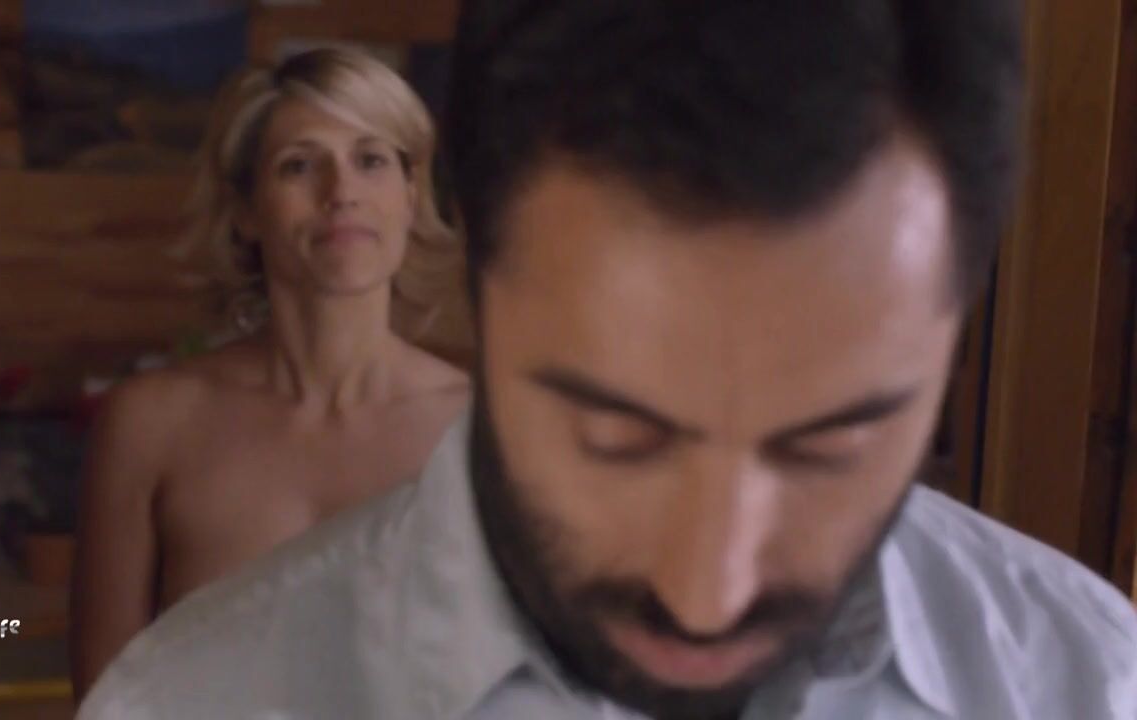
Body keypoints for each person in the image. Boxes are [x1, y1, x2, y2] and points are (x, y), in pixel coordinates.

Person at [77, 2, 1137, 718]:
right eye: (615, 433)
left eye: (833, 443)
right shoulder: (191, 698)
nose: (706, 596)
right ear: (481, 270)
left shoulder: (1091, 684)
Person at [70, 48, 470, 701]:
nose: (342, 192)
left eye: (371, 160)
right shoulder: (149, 425)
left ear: (410, 195)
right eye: (299, 165)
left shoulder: (479, 435)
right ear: (246, 212)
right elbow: (105, 699)